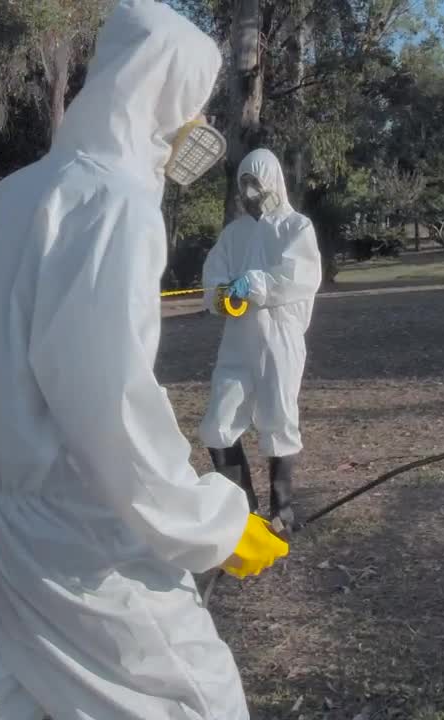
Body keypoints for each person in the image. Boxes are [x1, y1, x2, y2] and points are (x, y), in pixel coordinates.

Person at [0, 2, 288, 719]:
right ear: (167, 94)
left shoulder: (0, 202)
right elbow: (110, 408)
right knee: (196, 700)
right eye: (190, 104)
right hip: (60, 539)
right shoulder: (115, 204)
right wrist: (211, 525)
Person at [199, 148, 323, 534]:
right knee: (218, 422)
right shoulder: (234, 233)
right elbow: (212, 282)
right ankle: (243, 511)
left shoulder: (296, 228)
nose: (250, 191)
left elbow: (299, 278)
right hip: (237, 339)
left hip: (279, 338)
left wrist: (254, 284)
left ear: (272, 182)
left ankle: (281, 509)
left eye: (256, 182)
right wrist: (223, 296)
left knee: (278, 418)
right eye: (244, 183)